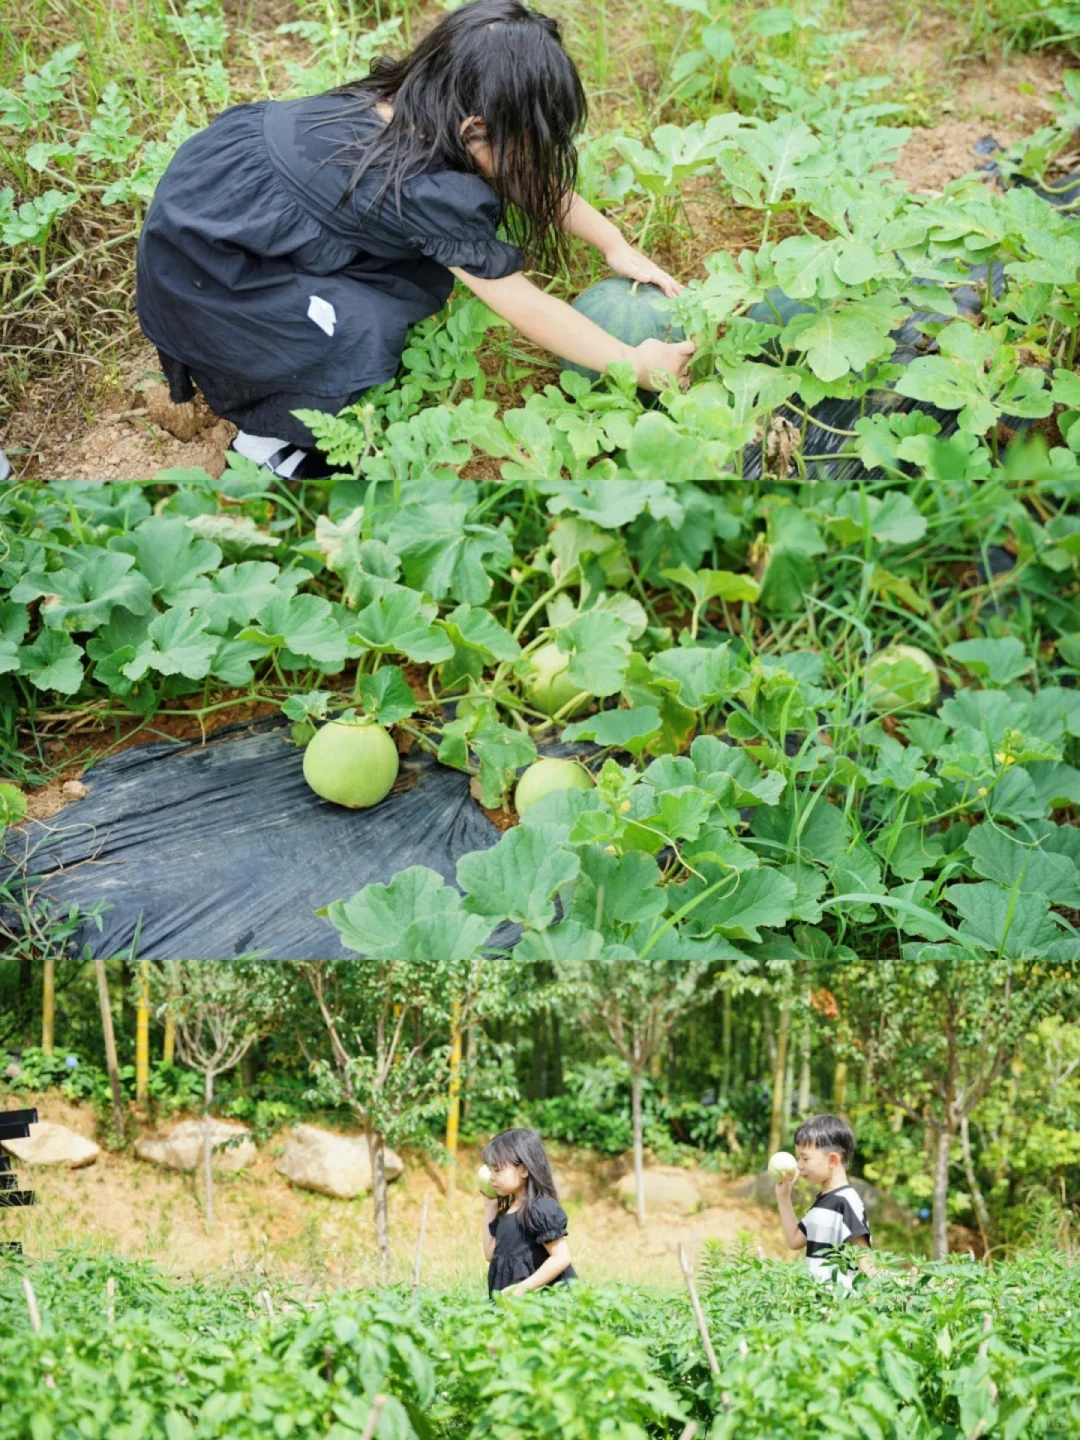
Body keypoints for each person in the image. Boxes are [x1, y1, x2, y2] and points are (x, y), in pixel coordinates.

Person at [135, 0, 696, 478]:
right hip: (212, 287)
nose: (532, 161)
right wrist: (632, 362)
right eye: (527, 141)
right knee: (363, 326)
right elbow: (525, 306)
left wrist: (612, 242)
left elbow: (520, 173)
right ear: (475, 128)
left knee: (401, 272)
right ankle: (267, 443)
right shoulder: (423, 189)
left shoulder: (407, 106)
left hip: (209, 220)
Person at [774, 1113, 874, 1289]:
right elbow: (794, 1240)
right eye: (798, 1158)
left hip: (839, 1301)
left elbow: (864, 1259)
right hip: (818, 1300)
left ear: (832, 1160)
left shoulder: (845, 1201)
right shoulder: (823, 1202)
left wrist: (875, 1297)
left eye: (805, 1158)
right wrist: (783, 1197)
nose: (799, 1165)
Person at [481, 1127, 577, 1298]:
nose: (492, 1177)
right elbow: (490, 1254)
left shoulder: (539, 1209)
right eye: (490, 1170)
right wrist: (490, 1207)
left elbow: (561, 1257)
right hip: (518, 1306)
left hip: (545, 1304)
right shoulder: (507, 1213)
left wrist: (523, 1288)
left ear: (524, 1170)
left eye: (497, 1170)